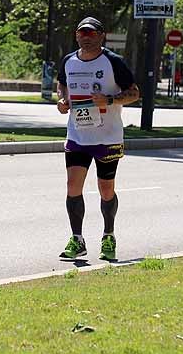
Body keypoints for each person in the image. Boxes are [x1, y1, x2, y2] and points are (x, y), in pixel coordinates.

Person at [56, 16, 140, 262]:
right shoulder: (69, 61)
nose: (86, 37)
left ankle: (108, 235)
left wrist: (110, 100)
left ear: (102, 36)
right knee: (73, 186)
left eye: (91, 33)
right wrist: (62, 100)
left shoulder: (114, 62)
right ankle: (77, 239)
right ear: (76, 35)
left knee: (106, 189)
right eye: (82, 33)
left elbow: (134, 93)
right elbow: (62, 84)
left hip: (108, 137)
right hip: (78, 135)